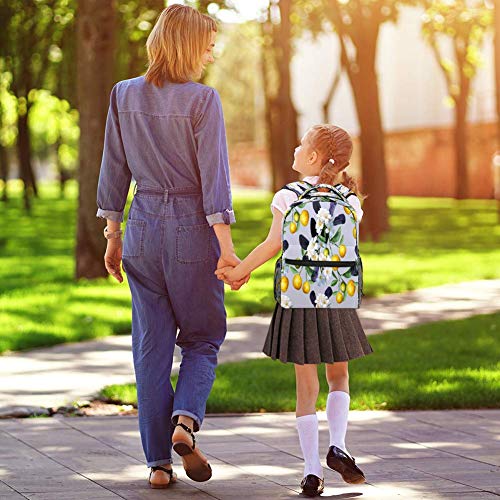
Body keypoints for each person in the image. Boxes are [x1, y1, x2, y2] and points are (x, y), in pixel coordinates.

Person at [96, 4, 248, 489]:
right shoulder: (203, 100)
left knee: (151, 349)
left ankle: (158, 464)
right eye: (205, 45)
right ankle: (185, 422)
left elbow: (113, 170)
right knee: (203, 338)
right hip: (190, 229)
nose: (209, 53)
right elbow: (214, 182)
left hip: (141, 227)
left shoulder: (123, 94)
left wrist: (113, 235)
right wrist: (226, 249)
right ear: (185, 45)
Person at [216, 124, 373, 497]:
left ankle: (312, 471)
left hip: (298, 297)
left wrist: (238, 272)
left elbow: (273, 244)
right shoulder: (351, 202)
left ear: (315, 158)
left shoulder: (288, 196)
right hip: (337, 298)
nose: (295, 148)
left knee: (306, 388)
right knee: (339, 378)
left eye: (301, 144)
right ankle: (339, 445)